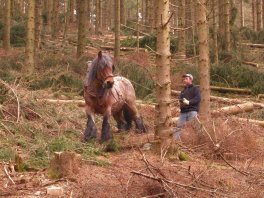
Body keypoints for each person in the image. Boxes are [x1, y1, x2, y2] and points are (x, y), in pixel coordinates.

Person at [174, 73, 201, 140]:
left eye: (186, 78)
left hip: (192, 110)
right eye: (184, 79)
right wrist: (180, 102)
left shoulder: (195, 88)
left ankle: (199, 139)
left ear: (191, 79)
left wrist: (189, 102)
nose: (184, 80)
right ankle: (176, 142)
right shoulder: (183, 91)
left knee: (194, 126)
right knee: (179, 127)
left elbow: (198, 99)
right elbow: (180, 99)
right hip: (183, 112)